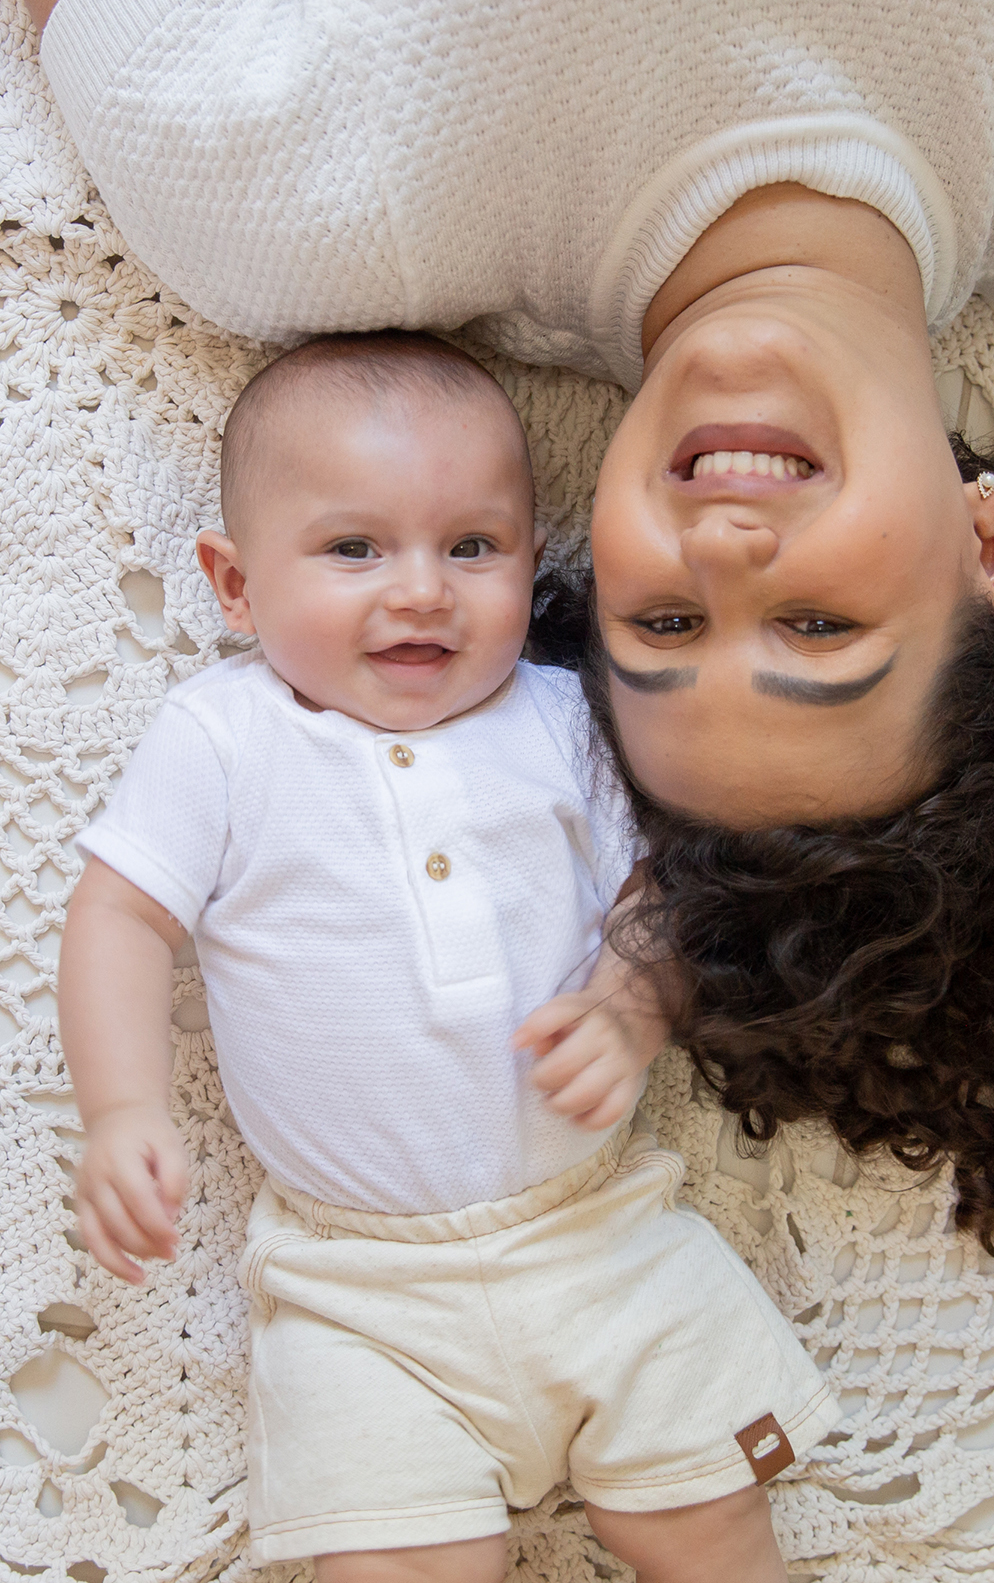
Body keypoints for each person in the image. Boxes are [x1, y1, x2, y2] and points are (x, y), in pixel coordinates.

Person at [9, 0, 994, 1274]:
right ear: (990, 551)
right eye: (823, 630)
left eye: (666, 626)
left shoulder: (305, 210)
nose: (722, 555)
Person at [56, 331, 840, 1583]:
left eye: (471, 547)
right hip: (356, 1291)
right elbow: (119, 917)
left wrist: (632, 1006)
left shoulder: (564, 720)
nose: (422, 589)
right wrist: (120, 1108)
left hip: (599, 1238)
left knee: (711, 1531)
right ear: (237, 585)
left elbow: (665, 894)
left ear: (532, 569)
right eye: (355, 548)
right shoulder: (223, 738)